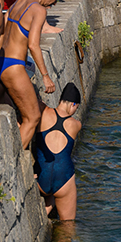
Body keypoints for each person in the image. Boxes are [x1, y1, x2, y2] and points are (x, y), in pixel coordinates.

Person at [0, 0, 64, 148]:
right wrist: (46, 76)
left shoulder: (18, 2)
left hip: (0, 63)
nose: (54, 3)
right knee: (33, 117)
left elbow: (2, 32)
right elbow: (33, 45)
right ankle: (13, 167)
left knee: (15, 114)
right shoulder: (39, 10)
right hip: (13, 67)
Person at [34, 82, 83, 221]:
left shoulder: (43, 112)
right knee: (68, 226)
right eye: (76, 108)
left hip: (41, 180)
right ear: (73, 104)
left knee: (50, 178)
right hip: (63, 179)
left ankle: (49, 205)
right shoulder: (76, 125)